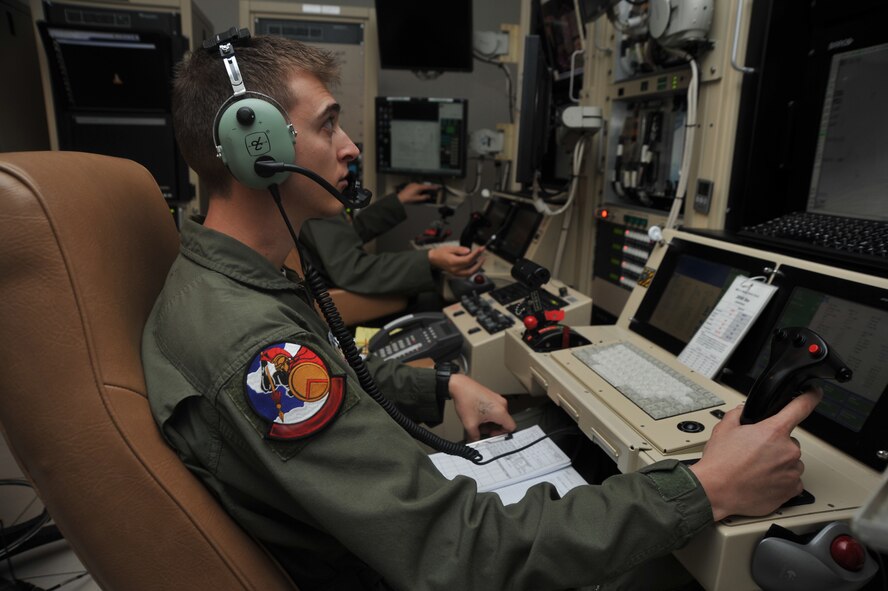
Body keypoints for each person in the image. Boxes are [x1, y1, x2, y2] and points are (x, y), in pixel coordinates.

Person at [142, 31, 822, 590]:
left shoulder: (223, 289)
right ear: (254, 146)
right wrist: (707, 486)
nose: (348, 147)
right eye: (327, 124)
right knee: (682, 566)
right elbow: (464, 552)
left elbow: (330, 393)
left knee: (546, 430)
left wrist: (441, 381)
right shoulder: (255, 343)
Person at [298, 183, 485, 310]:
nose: (351, 149)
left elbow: (342, 238)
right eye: (328, 127)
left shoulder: (302, 192)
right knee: (437, 303)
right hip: (335, 300)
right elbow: (354, 270)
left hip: (329, 284)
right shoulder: (312, 194)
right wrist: (430, 258)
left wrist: (398, 201)